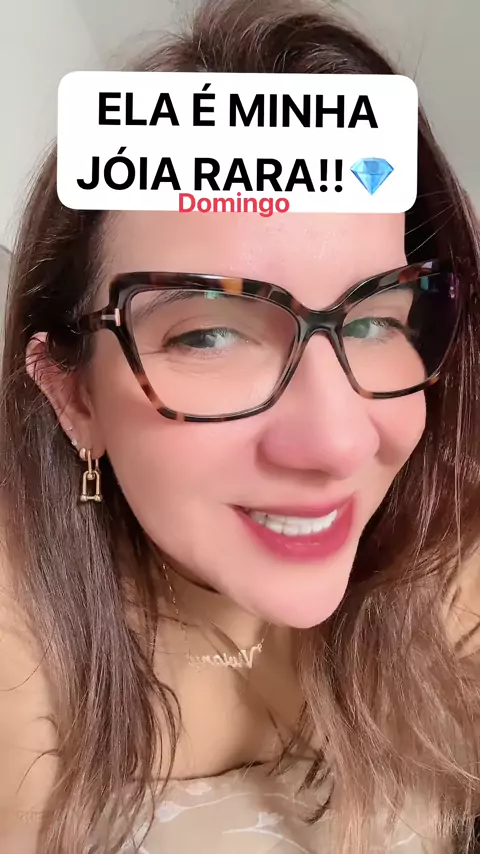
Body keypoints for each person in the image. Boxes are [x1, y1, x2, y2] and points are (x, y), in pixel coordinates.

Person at [0, 0, 479, 851]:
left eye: (377, 319)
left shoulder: (446, 548)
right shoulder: (21, 634)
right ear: (74, 395)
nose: (340, 443)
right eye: (209, 335)